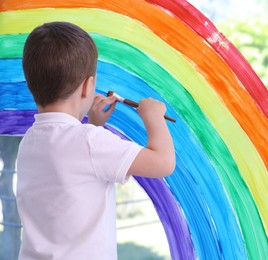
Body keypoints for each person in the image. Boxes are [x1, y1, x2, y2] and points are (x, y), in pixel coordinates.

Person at [16, 21, 175, 259]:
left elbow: (73, 165)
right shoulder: (90, 142)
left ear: (31, 85)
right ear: (88, 86)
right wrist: (154, 117)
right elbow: (163, 162)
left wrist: (93, 125)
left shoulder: (30, 141)